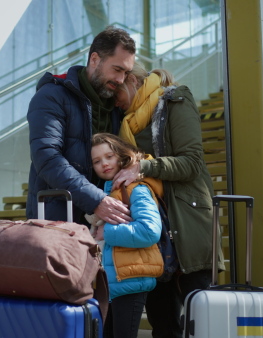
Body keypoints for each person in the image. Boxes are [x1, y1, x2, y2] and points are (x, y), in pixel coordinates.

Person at [112, 61, 224, 338]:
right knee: (164, 325)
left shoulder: (175, 100)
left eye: (117, 93)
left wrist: (144, 167)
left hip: (188, 226)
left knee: (204, 324)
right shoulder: (125, 123)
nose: (114, 102)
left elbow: (192, 163)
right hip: (154, 233)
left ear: (133, 82)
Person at [26, 26, 136, 226]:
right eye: (117, 69)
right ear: (94, 59)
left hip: (105, 222)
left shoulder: (115, 106)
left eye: (126, 73)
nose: (121, 79)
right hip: (58, 221)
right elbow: (46, 156)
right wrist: (95, 199)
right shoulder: (51, 96)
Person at [90, 132, 163, 338]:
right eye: (97, 161)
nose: (104, 163)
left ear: (121, 156)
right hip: (113, 284)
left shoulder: (136, 189)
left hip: (130, 282)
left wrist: (108, 232)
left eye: (109, 156)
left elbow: (149, 231)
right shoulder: (107, 191)